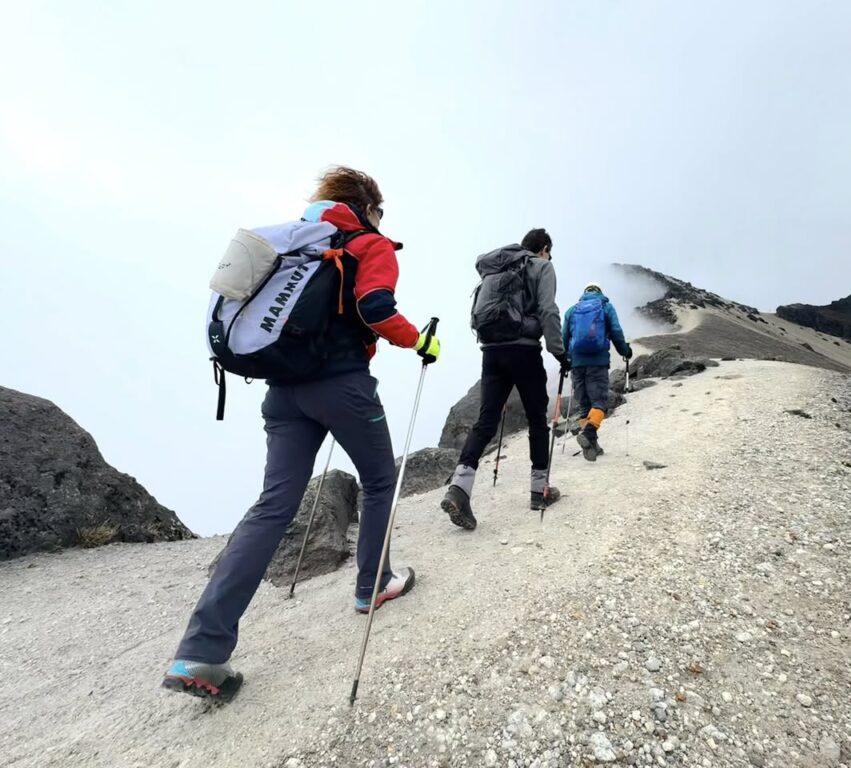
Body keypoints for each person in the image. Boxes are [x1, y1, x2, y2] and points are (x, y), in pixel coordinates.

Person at [163, 166, 440, 702]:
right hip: (341, 386)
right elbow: (376, 308)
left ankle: (201, 651)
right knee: (380, 481)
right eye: (380, 211)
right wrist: (418, 342)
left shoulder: (294, 246)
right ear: (367, 208)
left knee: (273, 506)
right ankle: (373, 585)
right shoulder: (368, 243)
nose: (382, 220)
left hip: (282, 393)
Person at [440, 228, 568, 530]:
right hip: (523, 351)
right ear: (544, 249)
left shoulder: (498, 267)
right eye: (549, 252)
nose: (549, 257)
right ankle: (539, 490)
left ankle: (459, 488)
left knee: (486, 421)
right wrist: (560, 352)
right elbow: (548, 310)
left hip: (492, 351)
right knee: (537, 419)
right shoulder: (542, 267)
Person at [562, 282, 631, 461]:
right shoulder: (606, 307)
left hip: (577, 364)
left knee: (585, 405)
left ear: (584, 293)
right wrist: (625, 351)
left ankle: (592, 446)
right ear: (599, 291)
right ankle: (589, 433)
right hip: (597, 363)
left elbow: (564, 338)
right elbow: (616, 331)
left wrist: (565, 360)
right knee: (599, 403)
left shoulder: (572, 310)